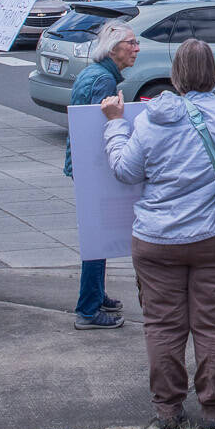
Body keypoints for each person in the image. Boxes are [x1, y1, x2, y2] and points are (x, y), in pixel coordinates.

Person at [103, 39, 215, 429]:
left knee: (162, 325)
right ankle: (214, 409)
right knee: (214, 326)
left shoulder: (150, 121)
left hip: (157, 239)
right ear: (214, 74)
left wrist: (114, 125)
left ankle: (168, 409)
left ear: (175, 75)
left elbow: (125, 171)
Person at [63, 20, 139, 329]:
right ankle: (88, 308)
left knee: (98, 234)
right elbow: (99, 129)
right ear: (112, 48)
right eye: (131, 43)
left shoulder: (95, 74)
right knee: (97, 237)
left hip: (83, 164)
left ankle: (95, 294)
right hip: (91, 167)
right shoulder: (103, 80)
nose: (136, 48)